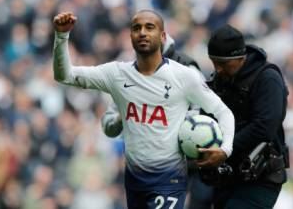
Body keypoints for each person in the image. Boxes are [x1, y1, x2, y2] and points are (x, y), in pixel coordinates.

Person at [52, 10, 235, 209]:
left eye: (150, 27)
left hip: (169, 179)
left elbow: (223, 112)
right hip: (135, 179)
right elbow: (65, 75)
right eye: (136, 28)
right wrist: (61, 36)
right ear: (130, 36)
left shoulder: (184, 76)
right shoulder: (117, 74)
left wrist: (225, 149)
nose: (142, 33)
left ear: (163, 36)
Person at [101, 34, 214, 209]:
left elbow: (202, 113)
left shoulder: (187, 68)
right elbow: (108, 125)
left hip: (187, 161)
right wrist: (120, 118)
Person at [203, 24, 289, 209]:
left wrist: (225, 149)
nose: (217, 69)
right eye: (214, 62)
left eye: (223, 63)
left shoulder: (267, 78)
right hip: (227, 177)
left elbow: (264, 127)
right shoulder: (221, 79)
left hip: (260, 178)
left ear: (241, 58)